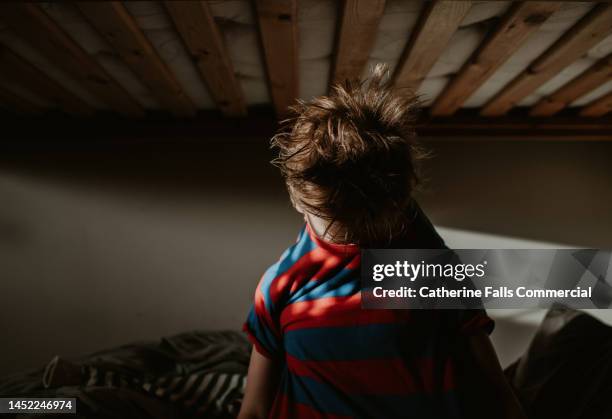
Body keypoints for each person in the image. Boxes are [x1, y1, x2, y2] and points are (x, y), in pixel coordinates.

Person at [238, 65, 525, 419]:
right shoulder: (283, 282)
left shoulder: (431, 272)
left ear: (393, 205)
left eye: (361, 214)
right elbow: (254, 407)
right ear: (298, 200)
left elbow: (496, 391)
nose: (351, 231)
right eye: (334, 217)